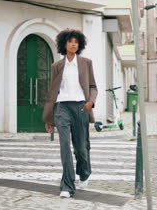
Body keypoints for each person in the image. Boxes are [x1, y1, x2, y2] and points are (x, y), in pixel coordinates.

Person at [42, 29, 98, 198]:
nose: (74, 44)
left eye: (76, 41)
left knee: (81, 148)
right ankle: (67, 185)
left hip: (81, 107)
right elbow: (52, 92)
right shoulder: (56, 66)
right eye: (70, 41)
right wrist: (49, 118)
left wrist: (90, 102)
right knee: (65, 146)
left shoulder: (86, 63)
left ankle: (85, 171)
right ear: (64, 44)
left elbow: (93, 86)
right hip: (62, 108)